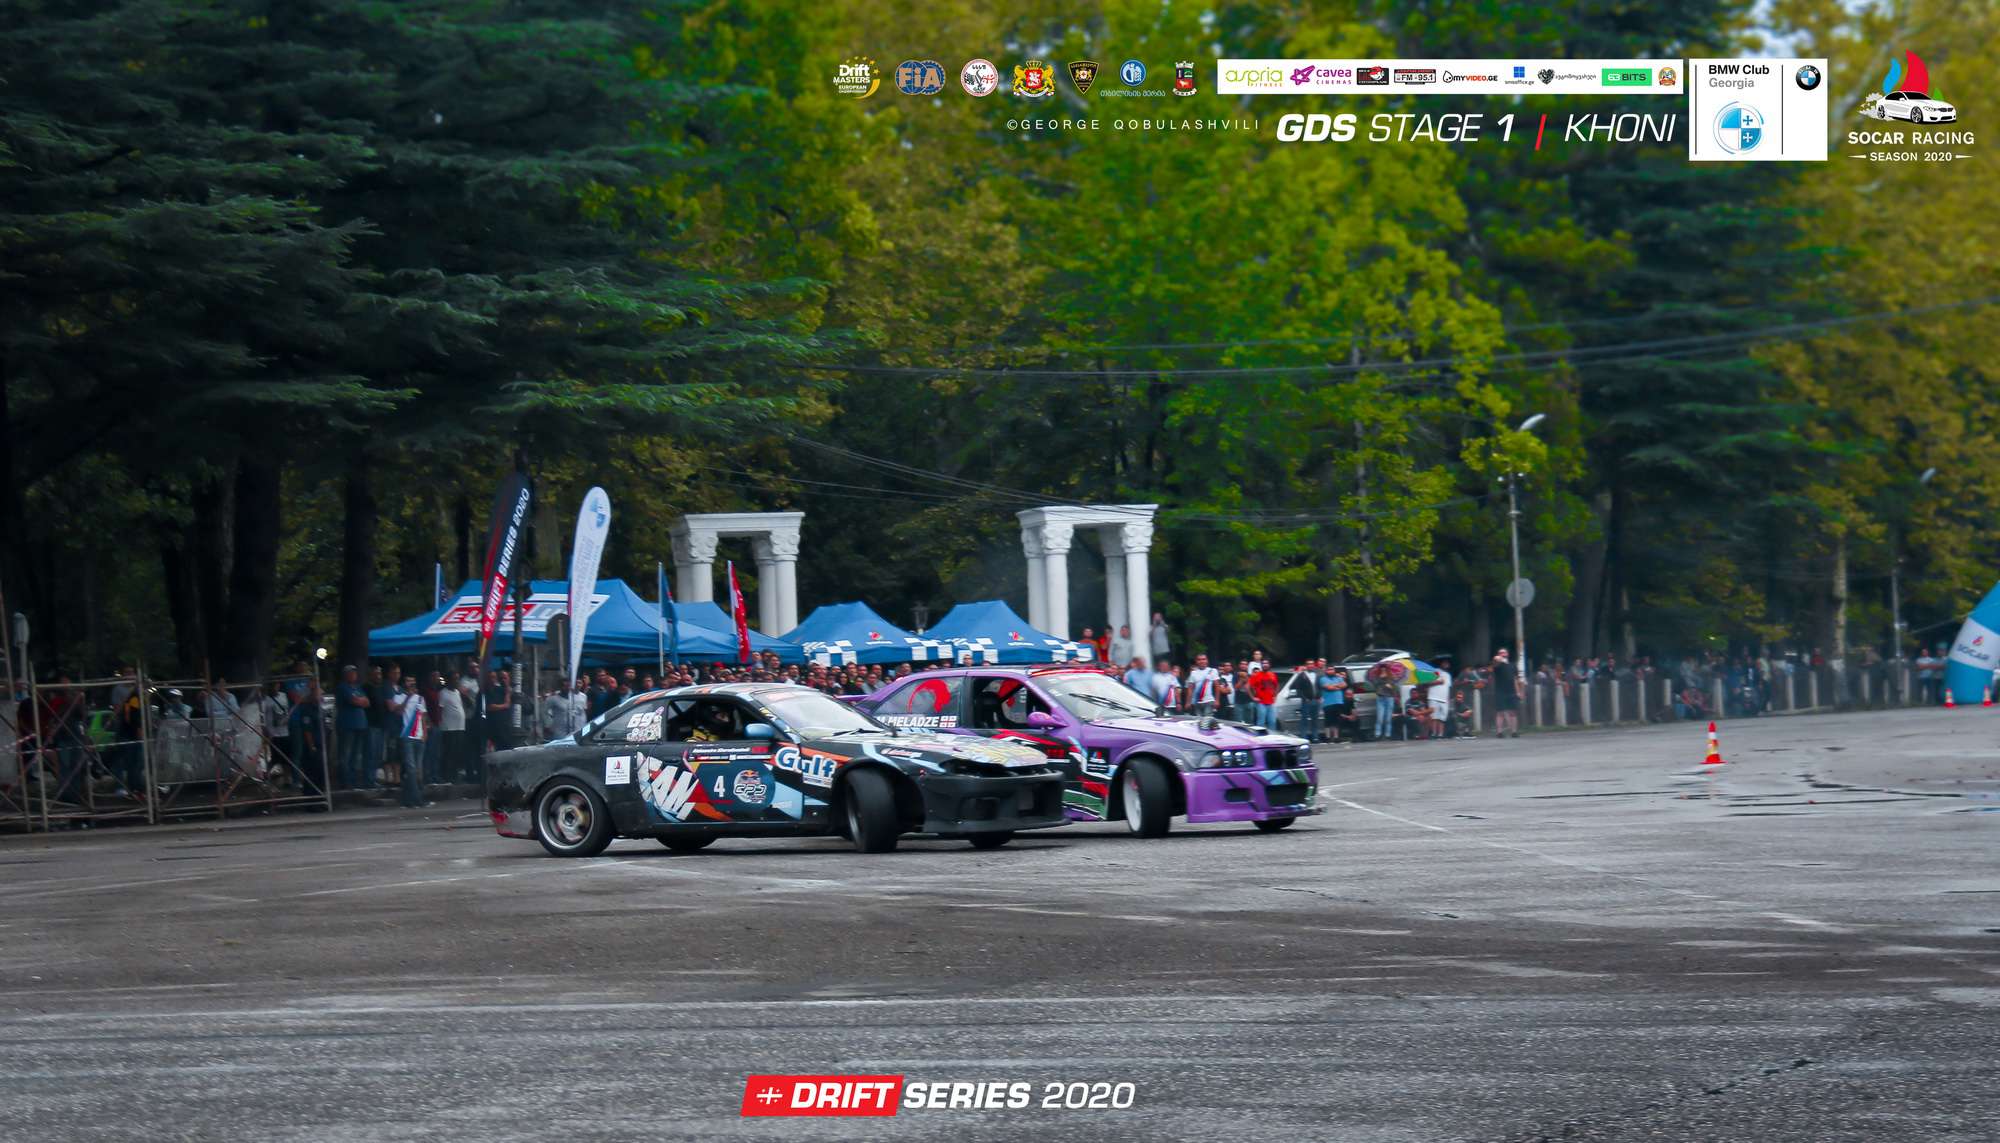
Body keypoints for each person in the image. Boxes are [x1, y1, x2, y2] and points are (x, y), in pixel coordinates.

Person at [390, 675, 430, 808]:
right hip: (407, 736)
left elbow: (423, 717)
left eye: (412, 682)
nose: (410, 684)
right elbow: (399, 712)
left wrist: (425, 733)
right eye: (408, 681)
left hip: (419, 737)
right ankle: (418, 799)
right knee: (411, 769)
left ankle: (409, 799)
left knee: (418, 770)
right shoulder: (398, 697)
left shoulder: (420, 698)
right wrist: (408, 697)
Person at [334, 665, 371, 790]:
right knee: (345, 754)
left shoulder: (358, 687)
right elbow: (353, 701)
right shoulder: (342, 687)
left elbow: (367, 702)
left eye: (355, 672)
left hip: (360, 725)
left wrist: (360, 701)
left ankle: (354, 780)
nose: (354, 675)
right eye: (351, 673)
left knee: (356, 755)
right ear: (346, 674)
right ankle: (345, 781)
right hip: (347, 725)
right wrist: (360, 701)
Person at [435, 670, 466, 783]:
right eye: (454, 679)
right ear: (449, 680)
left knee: (457, 752)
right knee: (449, 752)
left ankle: (455, 774)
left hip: (460, 727)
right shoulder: (443, 693)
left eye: (457, 679)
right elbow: (440, 709)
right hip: (449, 728)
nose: (456, 681)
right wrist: (440, 723)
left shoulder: (457, 692)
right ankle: (447, 775)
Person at [482, 669, 515, 752]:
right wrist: (504, 705)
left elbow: (509, 703)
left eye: (505, 678)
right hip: (493, 729)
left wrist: (508, 692)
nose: (503, 680)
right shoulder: (491, 690)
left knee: (507, 750)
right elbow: (490, 707)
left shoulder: (505, 691)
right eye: (501, 678)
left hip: (506, 727)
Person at [1491, 649, 1520, 739]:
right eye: (1501, 652)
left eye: (1504, 652)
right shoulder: (1497, 665)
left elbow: (1515, 679)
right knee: (1500, 712)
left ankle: (1514, 732)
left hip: (1511, 691)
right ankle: (1499, 732)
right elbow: (1495, 661)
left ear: (1507, 654)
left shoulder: (1513, 665)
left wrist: (1518, 692)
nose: (1503, 654)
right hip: (1500, 692)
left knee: (1513, 712)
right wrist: (1498, 659)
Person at [1246, 659, 1279, 731]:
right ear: (1261, 665)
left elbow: (1277, 686)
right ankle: (1260, 736)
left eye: (1266, 663)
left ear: (1269, 665)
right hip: (1261, 702)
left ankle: (1272, 736)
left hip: (1271, 702)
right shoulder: (1256, 675)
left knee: (1272, 721)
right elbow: (1247, 687)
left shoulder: (1272, 675)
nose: (1265, 664)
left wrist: (1275, 696)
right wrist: (1253, 698)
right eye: (1263, 663)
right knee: (1261, 722)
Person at [1292, 664, 1320, 742]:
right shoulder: (1302, 675)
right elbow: (1297, 688)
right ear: (1306, 666)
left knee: (1315, 720)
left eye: (1311, 664)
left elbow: (1319, 687)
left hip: (1315, 700)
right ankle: (1304, 737)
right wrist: (1304, 698)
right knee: (1304, 720)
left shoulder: (1316, 674)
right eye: (1309, 664)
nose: (1310, 666)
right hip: (1306, 701)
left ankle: (1315, 737)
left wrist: (1319, 696)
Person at [1320, 664, 1348, 743]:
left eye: (1332, 669)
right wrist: (1338, 686)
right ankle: (1328, 737)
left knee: (1336, 721)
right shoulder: (1323, 679)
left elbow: (1344, 685)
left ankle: (1336, 737)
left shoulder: (1338, 678)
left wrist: (1334, 686)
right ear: (1326, 671)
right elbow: (1329, 688)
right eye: (1329, 669)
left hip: (1338, 702)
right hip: (1328, 703)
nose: (1331, 671)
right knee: (1328, 721)